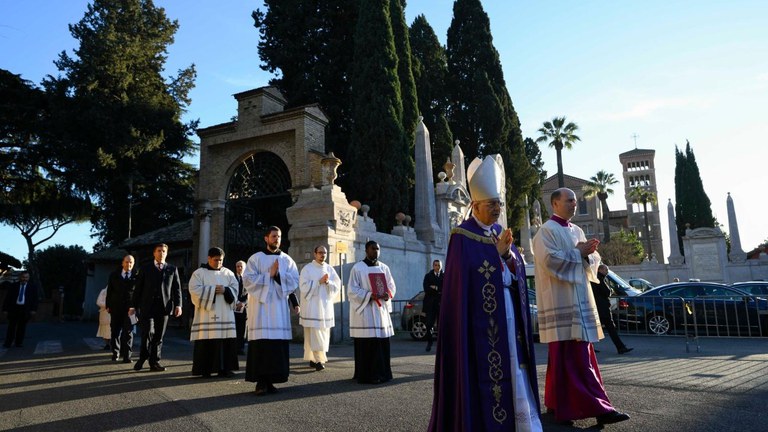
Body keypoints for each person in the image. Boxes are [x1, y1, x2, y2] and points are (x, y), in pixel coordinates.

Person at [428, 155, 541, 432]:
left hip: (508, 312)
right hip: (478, 322)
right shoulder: (461, 236)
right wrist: (498, 255)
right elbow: (462, 284)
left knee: (515, 364)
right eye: (491, 204)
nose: (497, 209)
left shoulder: (502, 232)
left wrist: (511, 259)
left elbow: (516, 271)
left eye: (498, 204)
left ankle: (522, 423)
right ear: (475, 206)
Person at [532, 187, 630, 426]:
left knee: (569, 358)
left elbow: (591, 260)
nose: (574, 205)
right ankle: (600, 408)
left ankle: (558, 405)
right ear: (554, 204)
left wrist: (591, 256)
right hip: (561, 303)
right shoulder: (546, 231)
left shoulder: (577, 230)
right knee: (576, 359)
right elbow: (549, 261)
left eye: (575, 201)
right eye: (569, 201)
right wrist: (579, 253)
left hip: (580, 302)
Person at [243, 226, 300, 396]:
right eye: (274, 236)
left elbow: (294, 281)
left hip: (278, 310)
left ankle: (272, 381)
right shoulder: (255, 258)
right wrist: (269, 274)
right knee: (262, 345)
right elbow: (248, 280)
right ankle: (261, 382)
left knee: (275, 345)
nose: (277, 239)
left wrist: (277, 276)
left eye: (279, 236)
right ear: (266, 238)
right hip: (260, 309)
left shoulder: (287, 260)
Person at [348, 240, 396, 385]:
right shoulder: (358, 268)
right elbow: (352, 290)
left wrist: (388, 294)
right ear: (366, 250)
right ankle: (366, 375)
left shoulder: (384, 268)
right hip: (366, 312)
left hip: (380, 311)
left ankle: (383, 373)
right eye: (373, 248)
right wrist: (369, 295)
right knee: (367, 344)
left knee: (380, 344)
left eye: (378, 249)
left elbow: (391, 286)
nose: (376, 251)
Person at [131, 243, 183, 372]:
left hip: (164, 307)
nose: (161, 253)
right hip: (147, 306)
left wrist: (178, 305)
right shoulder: (145, 268)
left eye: (164, 251)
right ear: (154, 253)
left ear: (167, 253)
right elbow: (138, 289)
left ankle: (154, 362)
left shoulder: (172, 269)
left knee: (159, 336)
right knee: (147, 333)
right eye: (159, 251)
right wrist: (133, 306)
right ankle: (143, 357)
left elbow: (177, 289)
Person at [189, 247, 239, 378]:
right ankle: (205, 370)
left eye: (221, 260)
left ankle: (225, 369)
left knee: (225, 341)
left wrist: (226, 290)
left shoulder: (228, 273)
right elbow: (194, 290)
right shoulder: (199, 273)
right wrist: (212, 290)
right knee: (207, 341)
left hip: (225, 313)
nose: (218, 263)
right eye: (216, 260)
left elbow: (235, 289)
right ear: (209, 258)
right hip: (206, 315)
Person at [299, 245, 341, 371]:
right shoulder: (307, 269)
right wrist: (318, 282)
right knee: (313, 334)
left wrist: (328, 283)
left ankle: (313, 358)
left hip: (325, 307)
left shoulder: (330, 269)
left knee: (323, 334)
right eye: (320, 252)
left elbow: (337, 286)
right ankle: (318, 360)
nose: (323, 255)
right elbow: (303, 287)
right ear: (314, 254)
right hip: (312, 308)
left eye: (325, 253)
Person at [591, 264, 633, 355]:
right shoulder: (599, 279)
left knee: (597, 329)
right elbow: (607, 292)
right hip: (603, 308)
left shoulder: (595, 278)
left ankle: (620, 347)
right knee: (610, 329)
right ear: (600, 270)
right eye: (606, 270)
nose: (607, 272)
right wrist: (609, 290)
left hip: (599, 307)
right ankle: (620, 347)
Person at [106, 255, 137, 363]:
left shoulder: (137, 276)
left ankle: (127, 356)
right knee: (115, 331)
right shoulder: (114, 275)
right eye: (127, 262)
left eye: (131, 262)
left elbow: (138, 294)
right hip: (115, 308)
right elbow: (109, 291)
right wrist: (108, 305)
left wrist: (135, 307)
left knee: (128, 332)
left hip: (130, 309)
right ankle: (115, 353)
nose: (129, 264)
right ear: (122, 263)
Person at [3, 271, 38, 348]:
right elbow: (8, 298)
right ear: (20, 277)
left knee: (22, 327)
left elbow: (35, 299)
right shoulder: (13, 286)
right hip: (14, 309)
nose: (24, 279)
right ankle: (8, 343)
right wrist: (5, 309)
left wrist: (33, 309)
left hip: (25, 309)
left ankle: (19, 343)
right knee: (11, 327)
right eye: (23, 277)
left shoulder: (32, 287)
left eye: (26, 277)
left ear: (28, 278)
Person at [422, 259, 443, 352]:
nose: (437, 267)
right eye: (435, 265)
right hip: (430, 304)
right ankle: (429, 342)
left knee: (441, 325)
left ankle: (440, 345)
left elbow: (445, 288)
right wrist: (438, 290)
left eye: (439, 265)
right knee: (429, 324)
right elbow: (426, 288)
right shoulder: (428, 276)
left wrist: (435, 287)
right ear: (433, 266)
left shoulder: (444, 276)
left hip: (441, 304)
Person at [233, 260, 248, 355]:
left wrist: (243, 303)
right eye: (238, 266)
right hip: (233, 307)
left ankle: (241, 348)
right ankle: (233, 348)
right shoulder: (232, 278)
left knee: (242, 329)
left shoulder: (247, 279)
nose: (239, 268)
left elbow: (249, 293)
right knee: (233, 328)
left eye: (241, 266)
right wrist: (236, 302)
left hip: (243, 308)